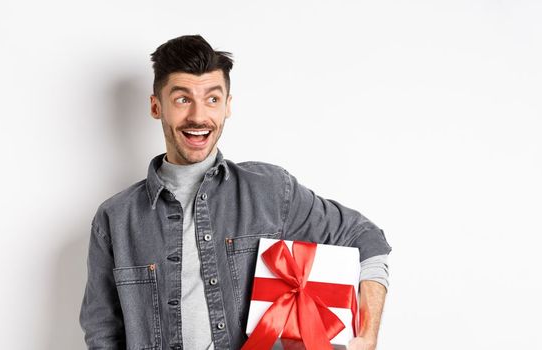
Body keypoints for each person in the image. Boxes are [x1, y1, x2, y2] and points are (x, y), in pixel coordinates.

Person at [79, 34, 392, 350]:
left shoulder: (270, 191)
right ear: (156, 106)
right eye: (182, 99)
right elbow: (102, 332)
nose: (199, 117)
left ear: (227, 105)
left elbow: (365, 237)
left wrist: (367, 335)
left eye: (212, 99)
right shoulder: (115, 219)